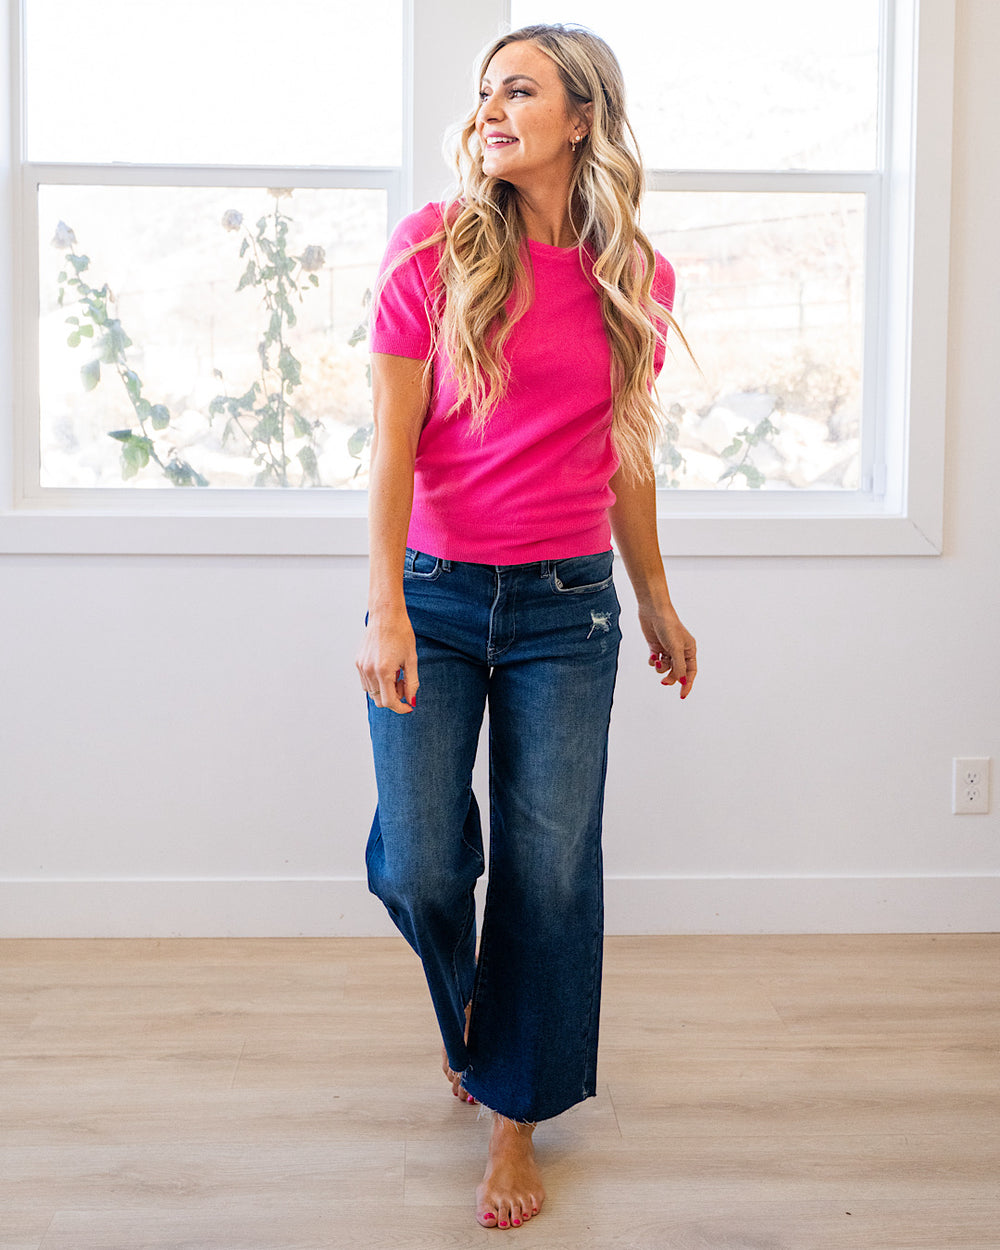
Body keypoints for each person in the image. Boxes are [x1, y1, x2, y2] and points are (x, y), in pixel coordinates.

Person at [355, 22, 697, 1231]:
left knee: (549, 870)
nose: (490, 110)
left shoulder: (633, 274)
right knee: (419, 862)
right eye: (485, 91)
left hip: (567, 607)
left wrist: (656, 597)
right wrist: (385, 604)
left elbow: (626, 457)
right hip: (435, 595)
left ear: (581, 118)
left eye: (519, 90)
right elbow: (391, 444)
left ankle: (513, 1112)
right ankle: (476, 1015)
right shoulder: (431, 248)